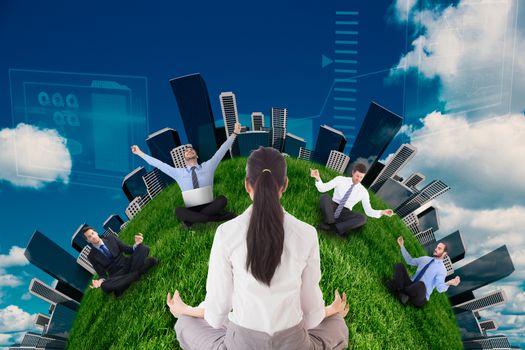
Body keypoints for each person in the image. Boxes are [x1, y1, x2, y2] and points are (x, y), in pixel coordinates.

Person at [166, 147, 350, 350]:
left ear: (247, 185)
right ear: (285, 185)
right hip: (294, 343)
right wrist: (331, 311)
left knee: (185, 323)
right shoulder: (306, 234)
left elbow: (217, 314)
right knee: (336, 325)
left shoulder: (226, 232)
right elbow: (312, 314)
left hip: (241, 344)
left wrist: (185, 311)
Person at [131, 123, 241, 229]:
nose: (189, 151)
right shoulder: (178, 173)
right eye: (186, 151)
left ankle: (190, 221)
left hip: (209, 204)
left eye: (191, 150)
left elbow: (222, 150)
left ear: (196, 155)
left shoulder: (208, 166)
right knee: (178, 211)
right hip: (192, 209)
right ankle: (216, 217)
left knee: (222, 200)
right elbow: (159, 164)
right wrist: (140, 153)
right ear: (184, 158)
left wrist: (235, 133)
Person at [310, 163, 394, 237]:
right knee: (324, 197)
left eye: (361, 177)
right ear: (353, 172)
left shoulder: (363, 192)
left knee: (362, 218)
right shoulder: (340, 179)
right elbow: (323, 188)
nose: (358, 179)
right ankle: (331, 223)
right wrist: (317, 178)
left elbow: (368, 211)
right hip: (333, 206)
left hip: (345, 212)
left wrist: (382, 212)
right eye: (357, 176)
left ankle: (333, 227)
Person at [385, 236, 461, 307]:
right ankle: (402, 295)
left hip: (421, 295)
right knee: (399, 266)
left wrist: (449, 283)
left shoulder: (442, 270)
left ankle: (398, 289)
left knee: (421, 285)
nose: (436, 249)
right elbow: (410, 261)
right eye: (437, 247)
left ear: (444, 253)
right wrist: (402, 246)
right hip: (411, 285)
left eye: (439, 248)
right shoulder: (425, 258)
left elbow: (439, 288)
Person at [83, 226, 158, 297]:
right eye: (89, 237)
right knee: (104, 286)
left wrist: (136, 245)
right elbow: (102, 274)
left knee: (143, 248)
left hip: (127, 264)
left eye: (92, 233)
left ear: (96, 232)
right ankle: (139, 271)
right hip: (116, 275)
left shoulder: (111, 238)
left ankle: (124, 284)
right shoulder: (91, 256)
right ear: (88, 240)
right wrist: (100, 281)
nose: (92, 237)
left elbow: (127, 249)